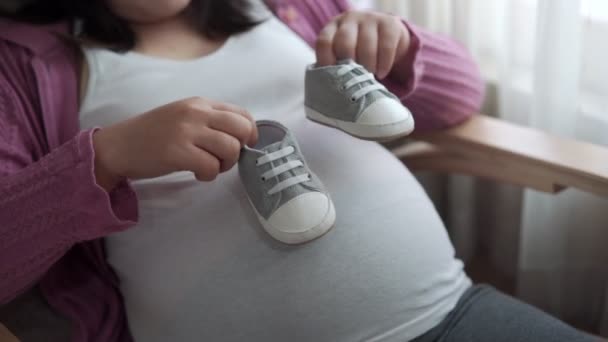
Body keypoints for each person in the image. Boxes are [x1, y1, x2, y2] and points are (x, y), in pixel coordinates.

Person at [0, 0, 595, 341]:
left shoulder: (286, 6)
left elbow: (457, 100)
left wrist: (403, 49)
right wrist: (105, 160)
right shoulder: (22, 64)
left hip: (451, 318)